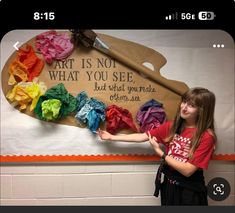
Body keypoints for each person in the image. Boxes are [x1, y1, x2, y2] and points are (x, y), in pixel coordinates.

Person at [98, 87, 216, 205]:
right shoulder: (173, 126)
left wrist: (161, 153)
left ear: (202, 110)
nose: (184, 107)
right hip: (170, 185)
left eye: (191, 105)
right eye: (184, 102)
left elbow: (187, 171)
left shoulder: (206, 136)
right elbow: (143, 136)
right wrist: (112, 137)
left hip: (190, 190)